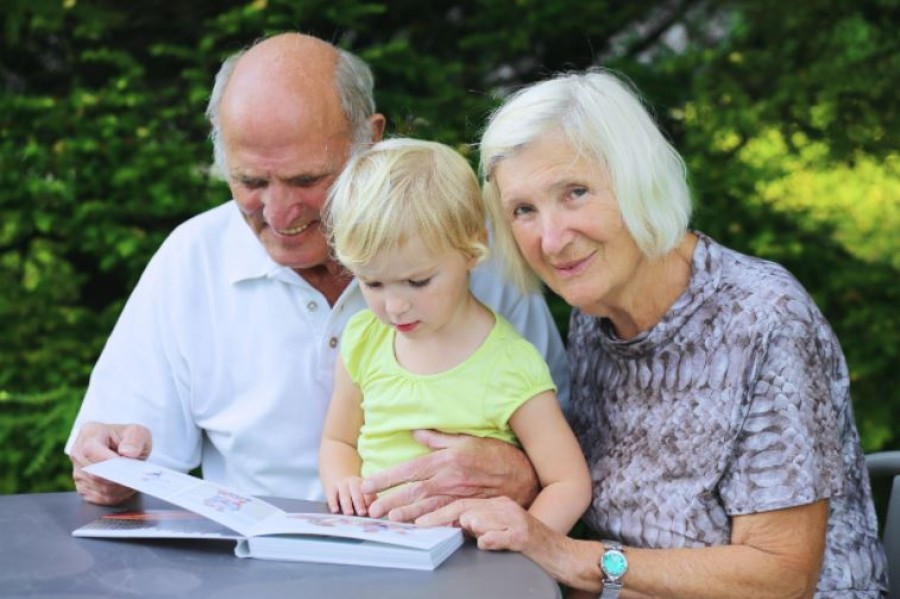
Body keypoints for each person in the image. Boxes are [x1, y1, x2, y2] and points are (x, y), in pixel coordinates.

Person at [419, 69, 889, 597]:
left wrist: (574, 559)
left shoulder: (764, 317)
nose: (551, 240)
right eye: (523, 210)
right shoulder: (595, 314)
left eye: (574, 193)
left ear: (639, 180)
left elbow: (781, 577)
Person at [64, 33, 570, 520]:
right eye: (251, 181)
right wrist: (109, 466)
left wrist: (521, 473)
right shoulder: (192, 261)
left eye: (307, 180)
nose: (281, 213)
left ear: (370, 140)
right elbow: (128, 460)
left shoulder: (465, 246)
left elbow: (565, 445)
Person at [318, 138, 591, 535]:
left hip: (469, 561)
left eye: (417, 281)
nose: (394, 307)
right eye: (372, 283)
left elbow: (568, 483)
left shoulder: (508, 362)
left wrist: (527, 545)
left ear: (472, 246)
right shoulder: (365, 339)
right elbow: (337, 440)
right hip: (378, 551)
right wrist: (342, 481)